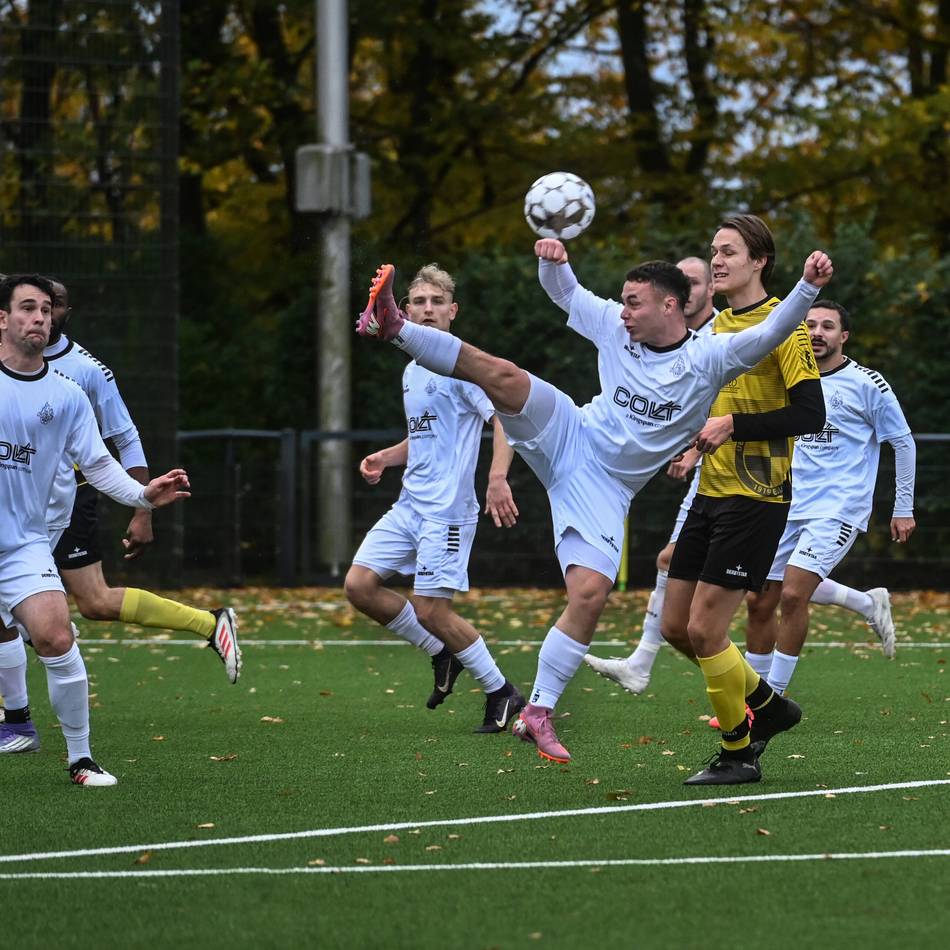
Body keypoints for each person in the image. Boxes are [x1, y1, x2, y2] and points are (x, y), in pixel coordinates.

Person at [355, 237, 833, 769]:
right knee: (505, 376)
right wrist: (552, 262)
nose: (622, 311)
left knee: (589, 594)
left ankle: (538, 711)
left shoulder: (709, 357)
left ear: (669, 306)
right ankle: (396, 328)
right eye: (622, 301)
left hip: (606, 488)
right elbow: (566, 293)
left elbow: (771, 331)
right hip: (569, 432)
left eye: (633, 302)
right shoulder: (614, 325)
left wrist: (807, 288)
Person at [0, 278, 240, 756]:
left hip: (53, 514)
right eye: (31, 306)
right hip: (28, 518)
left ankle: (69, 749)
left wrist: (142, 501)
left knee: (82, 608)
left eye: (50, 306)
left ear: (64, 312)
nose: (43, 315)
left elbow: (113, 447)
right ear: (4, 317)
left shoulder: (80, 377)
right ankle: (19, 721)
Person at [658, 214, 827, 784]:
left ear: (759, 261)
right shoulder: (713, 329)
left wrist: (734, 425)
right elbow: (705, 402)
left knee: (706, 630)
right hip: (709, 491)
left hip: (756, 498)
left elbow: (810, 414)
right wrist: (692, 447)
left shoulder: (786, 326)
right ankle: (770, 705)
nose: (717, 261)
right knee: (674, 626)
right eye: (714, 251)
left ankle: (738, 753)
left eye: (729, 251)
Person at [344, 264, 525, 734]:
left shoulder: (464, 369)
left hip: (447, 512)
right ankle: (441, 651)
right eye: (420, 302)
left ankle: (502, 691)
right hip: (409, 506)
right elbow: (424, 436)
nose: (428, 309)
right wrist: (386, 457)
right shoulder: (412, 371)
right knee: (359, 586)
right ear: (405, 311)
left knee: (431, 610)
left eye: (437, 302)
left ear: (453, 311)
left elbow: (504, 419)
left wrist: (498, 477)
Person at [744, 300, 915, 694]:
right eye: (809, 325)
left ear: (844, 336)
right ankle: (749, 699)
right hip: (785, 503)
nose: (817, 332)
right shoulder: (787, 378)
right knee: (759, 601)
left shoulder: (867, 384)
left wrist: (903, 508)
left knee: (793, 593)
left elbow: (903, 443)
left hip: (838, 507)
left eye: (827, 326)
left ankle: (773, 699)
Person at [584, 256, 715, 692]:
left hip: (742, 473)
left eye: (696, 281)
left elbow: (729, 407)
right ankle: (642, 663)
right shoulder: (649, 339)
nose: (689, 289)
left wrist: (693, 451)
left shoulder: (721, 338)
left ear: (709, 290)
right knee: (670, 566)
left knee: (772, 592)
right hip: (710, 470)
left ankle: (762, 690)